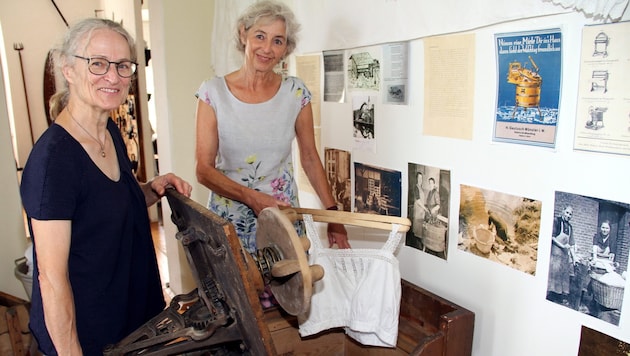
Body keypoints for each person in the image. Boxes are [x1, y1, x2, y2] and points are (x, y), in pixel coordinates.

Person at [19, 18, 193, 355]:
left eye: (122, 65)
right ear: (68, 69)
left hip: (131, 320)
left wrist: (152, 188)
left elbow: (107, 206)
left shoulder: (108, 131)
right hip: (88, 336)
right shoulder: (54, 161)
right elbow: (51, 282)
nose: (113, 77)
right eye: (97, 64)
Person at [194, 0, 349, 255]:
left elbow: (310, 158)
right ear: (243, 34)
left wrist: (333, 215)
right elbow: (203, 170)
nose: (267, 48)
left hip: (283, 219)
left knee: (287, 294)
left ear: (285, 48)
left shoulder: (296, 92)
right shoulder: (212, 93)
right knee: (239, 294)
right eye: (260, 36)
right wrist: (251, 197)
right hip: (231, 222)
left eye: (278, 41)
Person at [546, 205, 576, 305]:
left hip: (564, 256)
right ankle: (551, 296)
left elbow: (571, 244)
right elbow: (552, 237)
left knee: (563, 277)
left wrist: (574, 258)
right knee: (554, 274)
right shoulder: (556, 221)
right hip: (556, 253)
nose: (568, 215)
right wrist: (562, 246)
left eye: (570, 214)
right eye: (567, 212)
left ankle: (558, 297)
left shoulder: (570, 227)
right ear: (563, 211)